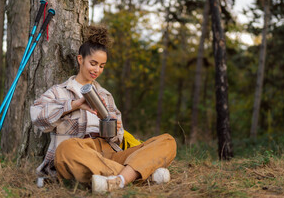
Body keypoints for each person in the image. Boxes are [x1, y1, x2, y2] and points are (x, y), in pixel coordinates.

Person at [30, 25, 177, 193]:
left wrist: (115, 130)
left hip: (109, 152)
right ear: (80, 59)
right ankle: (140, 175)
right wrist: (74, 105)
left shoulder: (105, 95)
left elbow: (117, 140)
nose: (97, 70)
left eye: (102, 66)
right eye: (93, 63)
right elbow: (37, 117)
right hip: (81, 152)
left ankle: (117, 179)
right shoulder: (59, 91)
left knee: (167, 141)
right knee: (65, 150)